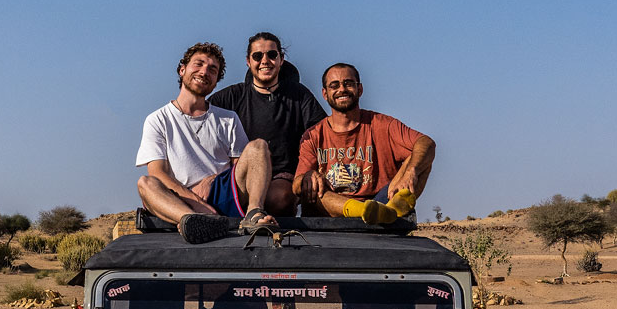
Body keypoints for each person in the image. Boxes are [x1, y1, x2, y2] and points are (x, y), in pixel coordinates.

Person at [136, 42, 276, 243]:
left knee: (258, 147)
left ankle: (253, 214)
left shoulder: (228, 118)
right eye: (198, 64)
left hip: (222, 191)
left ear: (216, 81)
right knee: (145, 183)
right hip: (180, 199)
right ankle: (194, 222)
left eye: (213, 69)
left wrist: (211, 180)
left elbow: (242, 168)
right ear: (182, 69)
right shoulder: (158, 119)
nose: (204, 72)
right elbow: (158, 173)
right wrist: (198, 206)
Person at [294, 63, 436, 224]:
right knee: (312, 189)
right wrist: (308, 176)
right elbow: (296, 185)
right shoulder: (313, 135)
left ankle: (394, 209)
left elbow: (426, 142)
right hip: (333, 210)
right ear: (325, 94)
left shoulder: (382, 124)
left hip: (380, 204)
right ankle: (362, 212)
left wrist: (411, 170)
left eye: (348, 83)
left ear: (359, 89)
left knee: (420, 158)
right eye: (334, 85)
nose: (342, 89)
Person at [209, 32, 326, 215]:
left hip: (283, 177)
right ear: (248, 61)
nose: (265, 61)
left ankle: (256, 214)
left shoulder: (299, 95)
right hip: (241, 177)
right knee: (257, 148)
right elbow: (196, 119)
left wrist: (309, 171)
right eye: (257, 56)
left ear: (281, 59)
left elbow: (323, 132)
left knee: (280, 198)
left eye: (272, 55)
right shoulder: (231, 97)